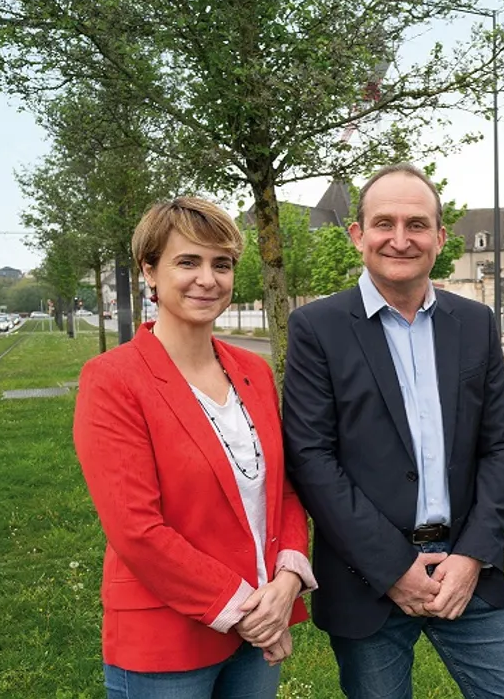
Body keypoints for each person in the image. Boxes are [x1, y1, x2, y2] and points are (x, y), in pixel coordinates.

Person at [282, 163, 504, 698]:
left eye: (417, 225)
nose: (400, 239)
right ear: (357, 235)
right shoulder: (317, 328)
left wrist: (472, 556)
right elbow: (311, 458)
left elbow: (500, 447)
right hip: (366, 576)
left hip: (468, 567)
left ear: (440, 239)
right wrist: (393, 567)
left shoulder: (475, 323)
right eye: (384, 223)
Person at [73, 197, 316, 698]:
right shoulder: (113, 379)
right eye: (188, 261)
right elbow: (136, 530)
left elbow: (284, 491)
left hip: (258, 631)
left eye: (221, 264)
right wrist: (247, 608)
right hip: (167, 640)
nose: (208, 279)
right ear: (150, 271)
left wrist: (288, 580)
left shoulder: (253, 372)